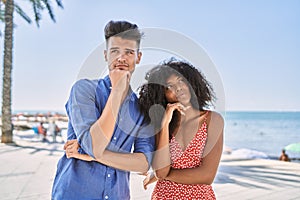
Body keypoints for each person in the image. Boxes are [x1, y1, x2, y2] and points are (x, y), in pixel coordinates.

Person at [51, 20, 155, 200]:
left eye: (129, 52)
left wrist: (89, 155)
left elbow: (143, 164)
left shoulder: (142, 108)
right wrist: (117, 92)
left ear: (138, 57)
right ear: (106, 55)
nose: (121, 58)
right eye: (115, 51)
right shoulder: (83, 90)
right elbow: (95, 145)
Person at [139, 59, 224, 199]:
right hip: (164, 196)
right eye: (169, 86)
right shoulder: (161, 124)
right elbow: (161, 171)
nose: (177, 88)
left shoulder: (212, 120)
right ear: (163, 94)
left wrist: (165, 175)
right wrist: (165, 124)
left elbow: (207, 176)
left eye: (181, 81)